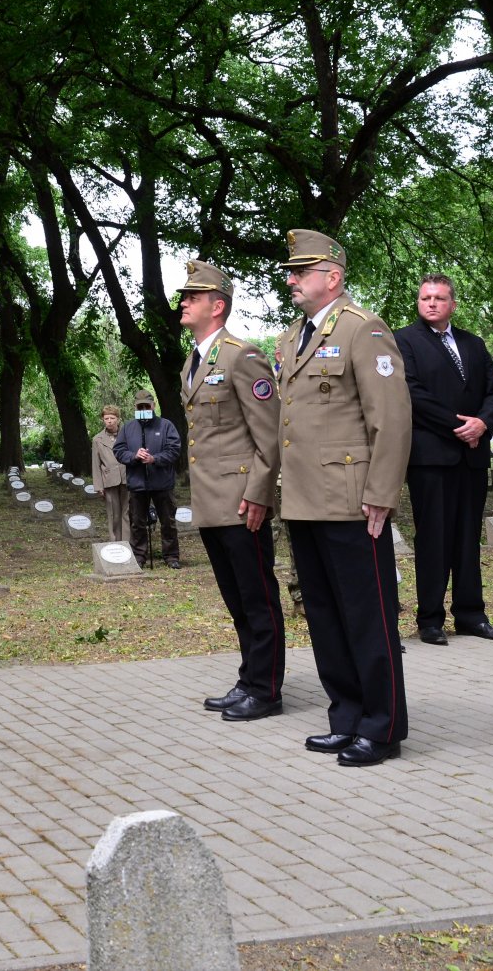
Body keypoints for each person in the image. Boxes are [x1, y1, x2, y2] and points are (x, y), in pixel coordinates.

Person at [275, 229, 411, 767]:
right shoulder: (293, 337)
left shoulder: (363, 329)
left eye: (300, 272)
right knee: (326, 616)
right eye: (290, 272)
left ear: (332, 277)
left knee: (366, 615)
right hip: (304, 499)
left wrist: (381, 493)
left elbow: (391, 419)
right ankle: (347, 716)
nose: (290, 280)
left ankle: (383, 727)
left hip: (352, 500)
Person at [176, 260, 285, 721]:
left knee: (257, 597)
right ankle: (249, 678)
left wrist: (259, 493)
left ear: (217, 306)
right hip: (211, 500)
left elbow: (270, 434)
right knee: (236, 599)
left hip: (242, 500)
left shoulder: (243, 356)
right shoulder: (195, 360)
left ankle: (267, 689)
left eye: (193, 297)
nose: (184, 303)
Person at [393, 275, 493, 645]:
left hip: (472, 456)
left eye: (439, 298)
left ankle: (471, 615)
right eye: (425, 298)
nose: (431, 303)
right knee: (433, 537)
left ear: (452, 304)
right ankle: (430, 619)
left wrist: (482, 423)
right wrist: (458, 426)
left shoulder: (473, 343)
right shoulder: (403, 340)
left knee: (467, 538)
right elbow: (412, 392)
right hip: (431, 456)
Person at [114, 391, 182, 567]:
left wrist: (155, 459)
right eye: (140, 407)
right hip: (137, 483)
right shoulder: (127, 428)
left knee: (168, 521)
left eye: (147, 406)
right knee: (137, 523)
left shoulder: (166, 426)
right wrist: (134, 456)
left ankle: (171, 557)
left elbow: (174, 449)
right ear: (135, 408)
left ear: (153, 406)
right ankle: (138, 557)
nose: (144, 409)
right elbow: (119, 450)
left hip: (162, 482)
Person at [91, 405, 130, 542]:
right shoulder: (98, 439)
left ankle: (127, 543)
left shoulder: (127, 434)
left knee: (127, 512)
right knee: (113, 514)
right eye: (106, 418)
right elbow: (96, 464)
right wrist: (98, 486)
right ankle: (115, 543)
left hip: (126, 477)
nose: (109, 421)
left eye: (112, 418)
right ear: (103, 420)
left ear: (118, 419)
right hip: (109, 480)